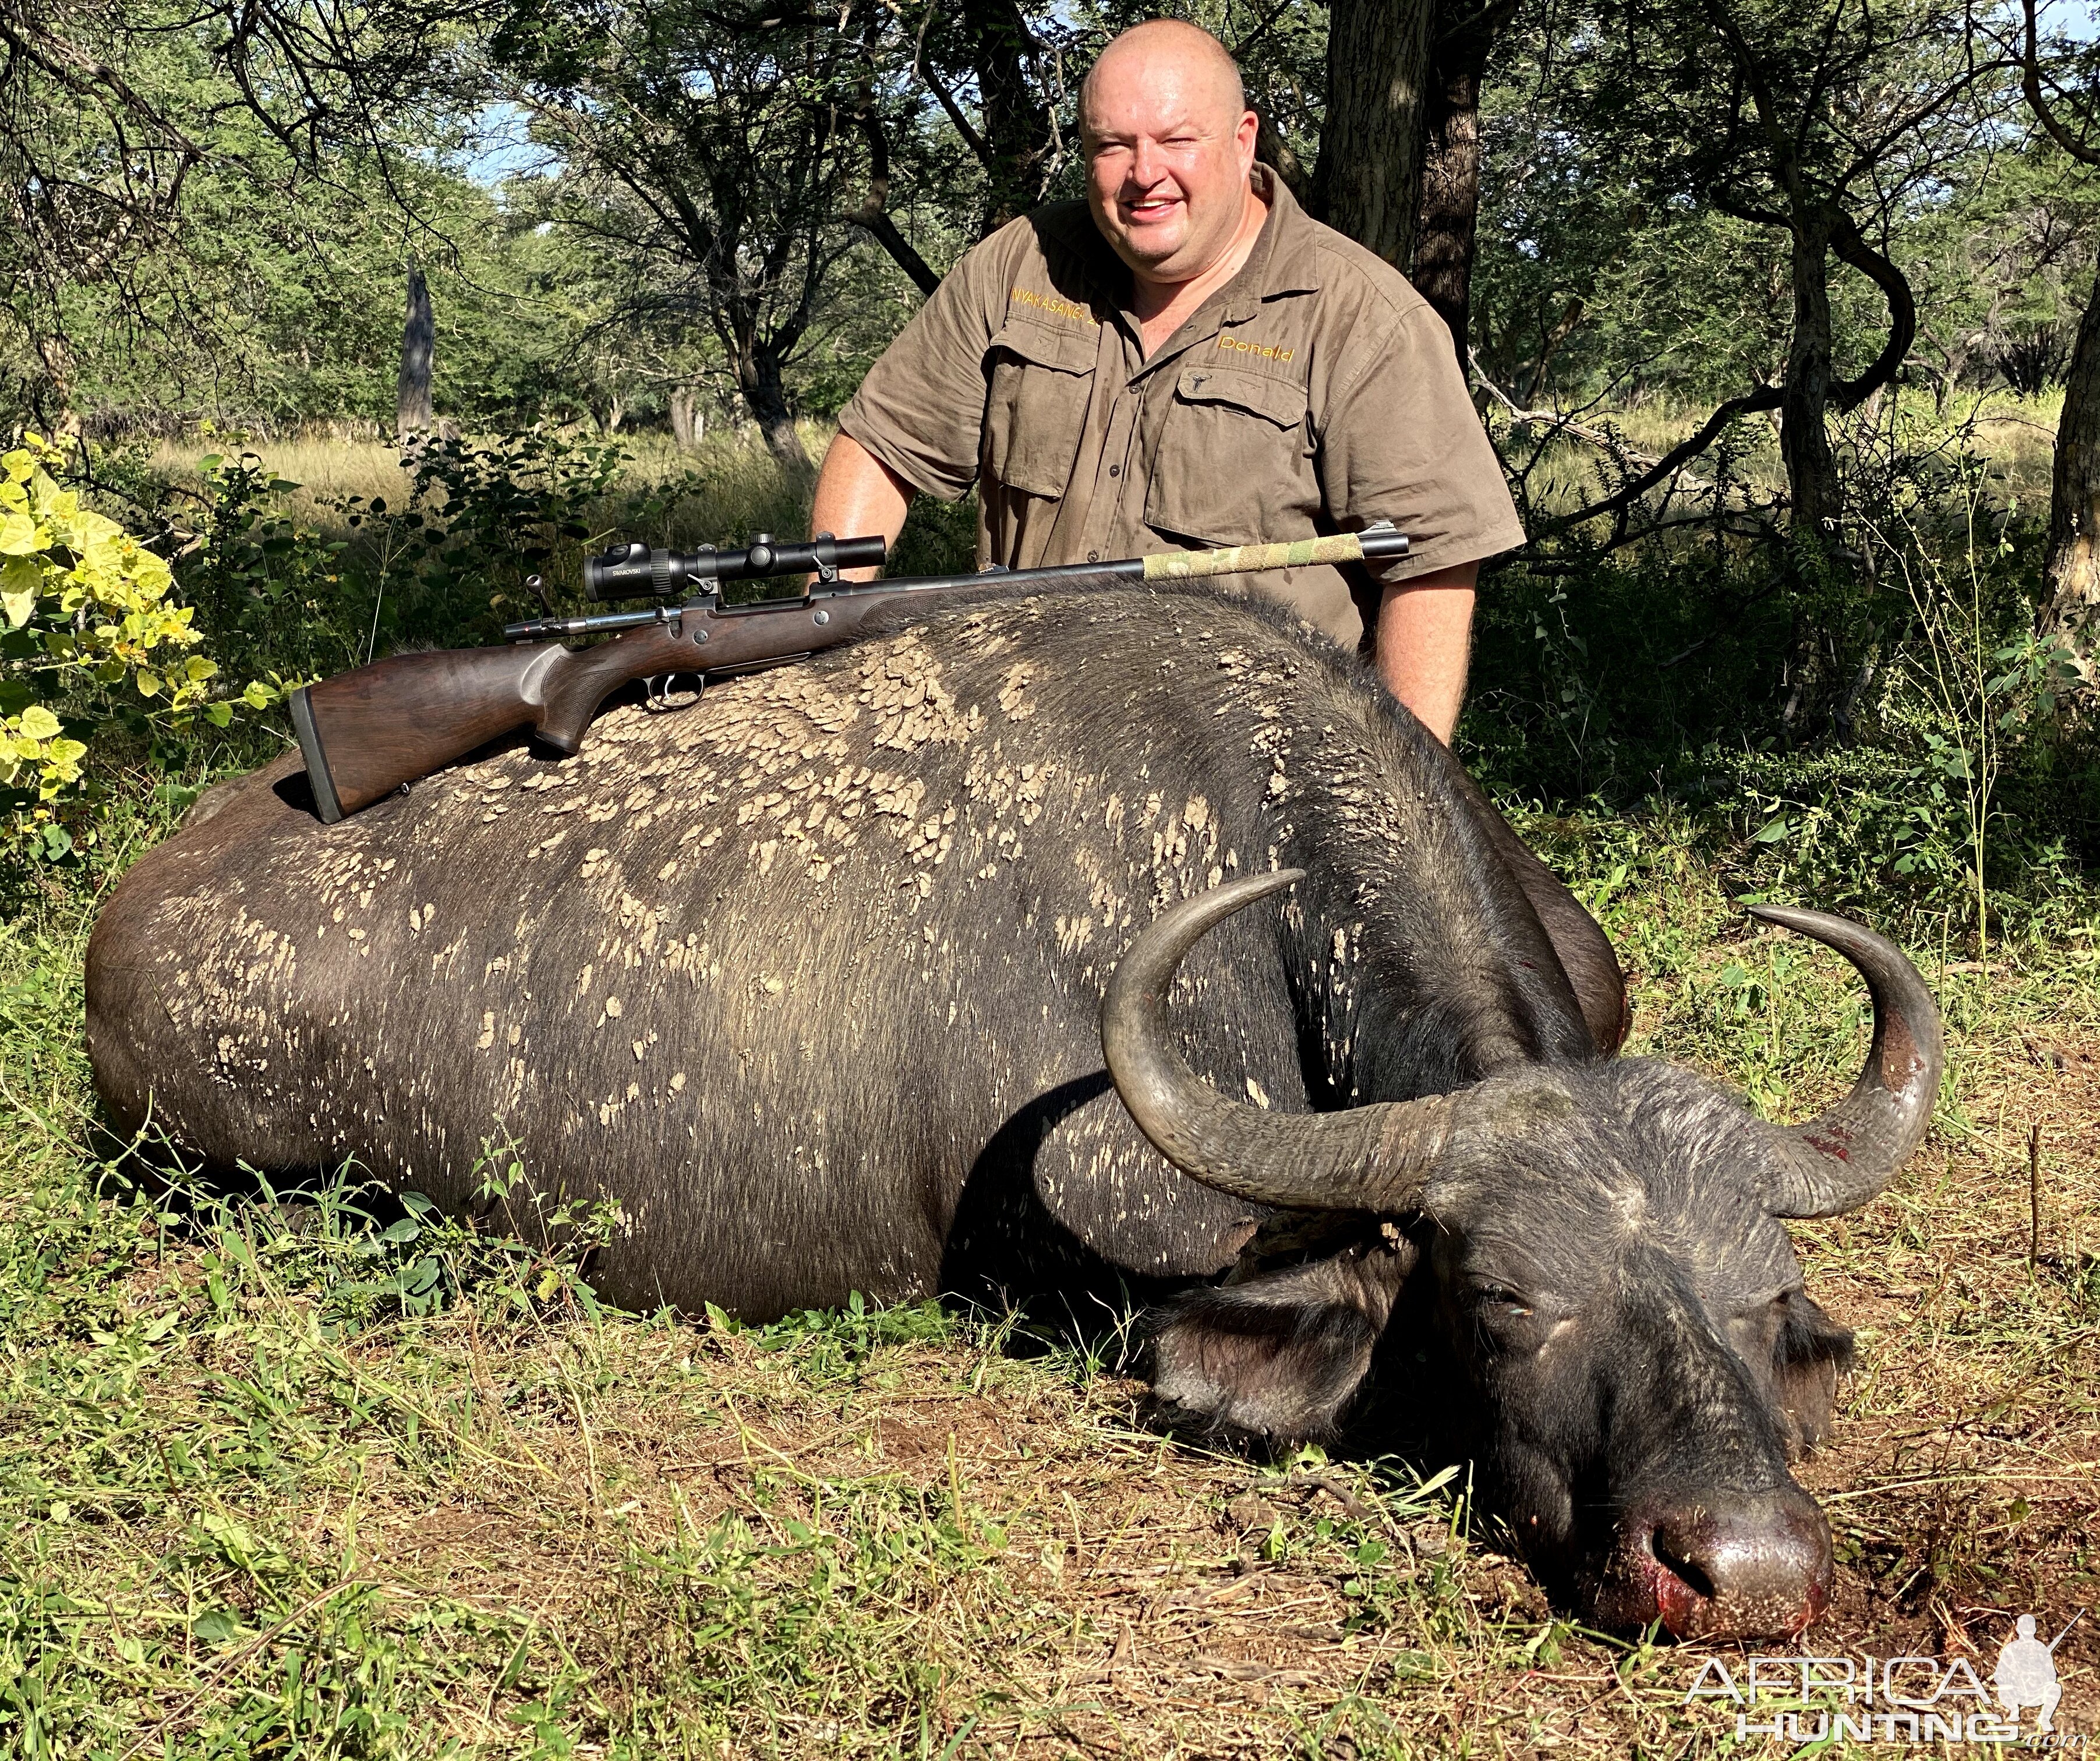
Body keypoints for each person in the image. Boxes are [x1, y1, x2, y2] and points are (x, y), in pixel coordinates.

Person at [811, 17, 1523, 744]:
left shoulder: (1364, 321)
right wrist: (825, 637)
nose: (1144, 174)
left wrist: (1400, 799)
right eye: (1112, 146)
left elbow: (1430, 566)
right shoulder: (1018, 268)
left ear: (1243, 140)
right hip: (1012, 735)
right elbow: (880, 444)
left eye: (1177, 141)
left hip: (1250, 777)